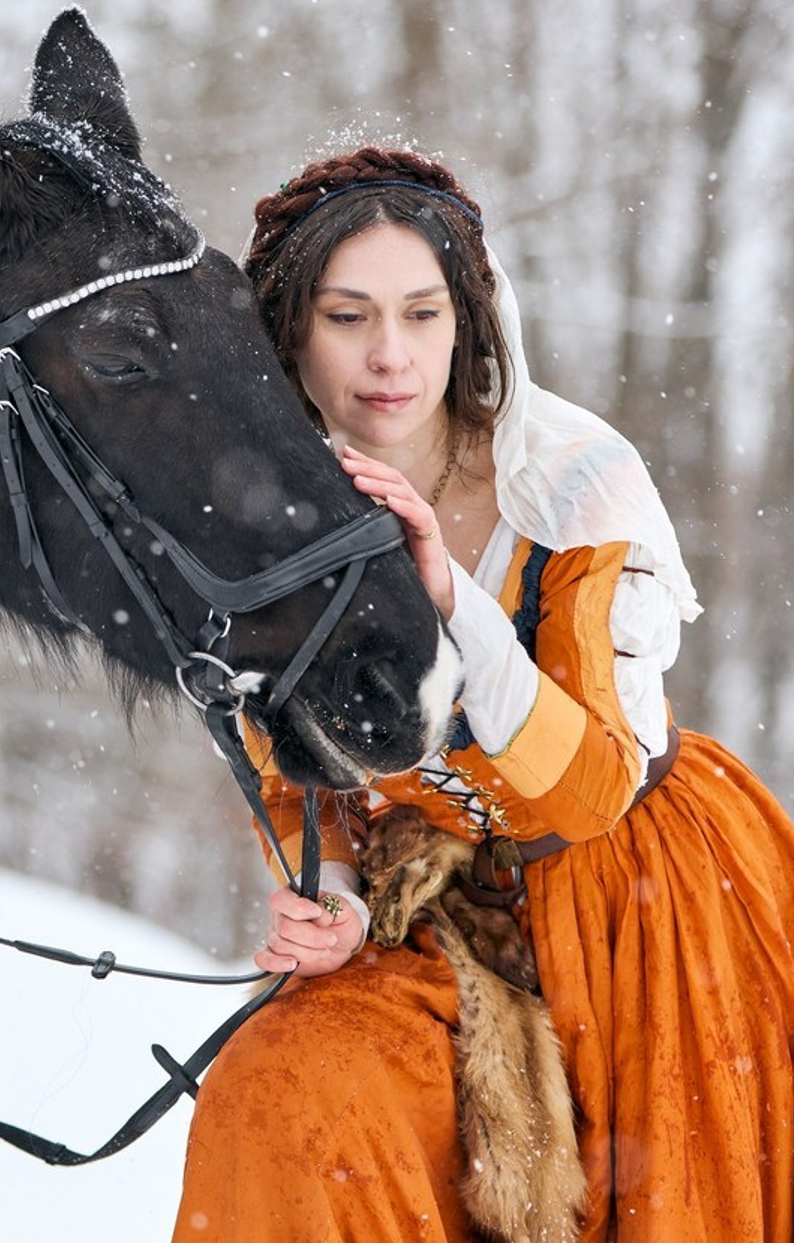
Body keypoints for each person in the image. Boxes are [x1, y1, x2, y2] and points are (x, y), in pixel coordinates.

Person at [172, 147, 794, 1241]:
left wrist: (446, 591)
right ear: (289, 332)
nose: (388, 358)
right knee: (284, 1090)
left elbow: (586, 790)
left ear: (467, 320)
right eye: (346, 315)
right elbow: (293, 774)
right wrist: (334, 896)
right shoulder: (270, 513)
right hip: (430, 924)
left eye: (420, 314)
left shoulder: (566, 480)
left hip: (633, 903)